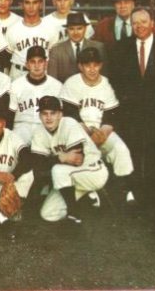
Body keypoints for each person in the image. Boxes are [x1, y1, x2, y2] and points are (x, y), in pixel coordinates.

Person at [111, 8, 155, 194]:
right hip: (131, 110)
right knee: (132, 148)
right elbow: (114, 77)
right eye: (135, 23)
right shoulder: (121, 47)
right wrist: (124, 99)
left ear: (152, 23)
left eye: (143, 21)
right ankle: (133, 191)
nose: (139, 26)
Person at [60, 47, 135, 204]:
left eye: (95, 65)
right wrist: (88, 134)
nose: (92, 69)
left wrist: (102, 134)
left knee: (121, 150)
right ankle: (87, 189)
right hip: (78, 131)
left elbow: (111, 116)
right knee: (82, 154)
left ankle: (124, 188)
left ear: (100, 65)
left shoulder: (107, 84)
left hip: (101, 130)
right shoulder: (72, 83)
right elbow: (69, 114)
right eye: (87, 65)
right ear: (80, 66)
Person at [31, 96, 109, 223]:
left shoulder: (69, 123)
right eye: (44, 113)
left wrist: (54, 160)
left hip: (92, 171)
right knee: (48, 214)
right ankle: (87, 197)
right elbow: (37, 165)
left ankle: (74, 213)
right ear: (40, 116)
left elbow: (77, 160)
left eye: (53, 113)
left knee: (57, 170)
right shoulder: (39, 132)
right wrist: (61, 157)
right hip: (70, 179)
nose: (49, 117)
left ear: (60, 114)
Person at [8, 46, 62, 144]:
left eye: (40, 61)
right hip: (22, 126)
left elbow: (61, 116)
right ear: (27, 64)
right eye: (33, 62)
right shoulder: (16, 85)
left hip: (46, 127)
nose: (37, 66)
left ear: (46, 64)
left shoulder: (57, 86)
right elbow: (10, 116)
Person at [6, 0, 59, 80]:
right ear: (22, 5)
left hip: (42, 74)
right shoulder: (12, 29)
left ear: (40, 4)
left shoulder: (51, 28)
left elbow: (54, 58)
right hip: (19, 73)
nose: (31, 7)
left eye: (35, 2)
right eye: (27, 2)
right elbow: (6, 58)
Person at [48, 12, 107, 83]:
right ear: (67, 30)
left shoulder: (98, 47)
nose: (75, 32)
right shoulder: (57, 50)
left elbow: (104, 76)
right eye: (71, 29)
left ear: (85, 29)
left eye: (79, 28)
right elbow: (52, 80)